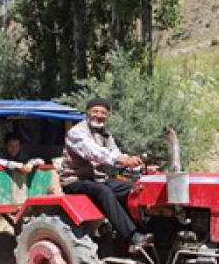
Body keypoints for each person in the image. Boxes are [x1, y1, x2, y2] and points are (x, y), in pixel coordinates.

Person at [60, 97, 151, 248]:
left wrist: (138, 166)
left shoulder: (105, 135)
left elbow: (115, 153)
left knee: (133, 188)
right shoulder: (76, 133)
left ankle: (143, 230)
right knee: (104, 191)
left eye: (103, 112)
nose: (99, 115)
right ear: (87, 113)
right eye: (95, 111)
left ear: (107, 116)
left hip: (97, 179)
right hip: (75, 180)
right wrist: (122, 159)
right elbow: (94, 153)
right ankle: (132, 237)